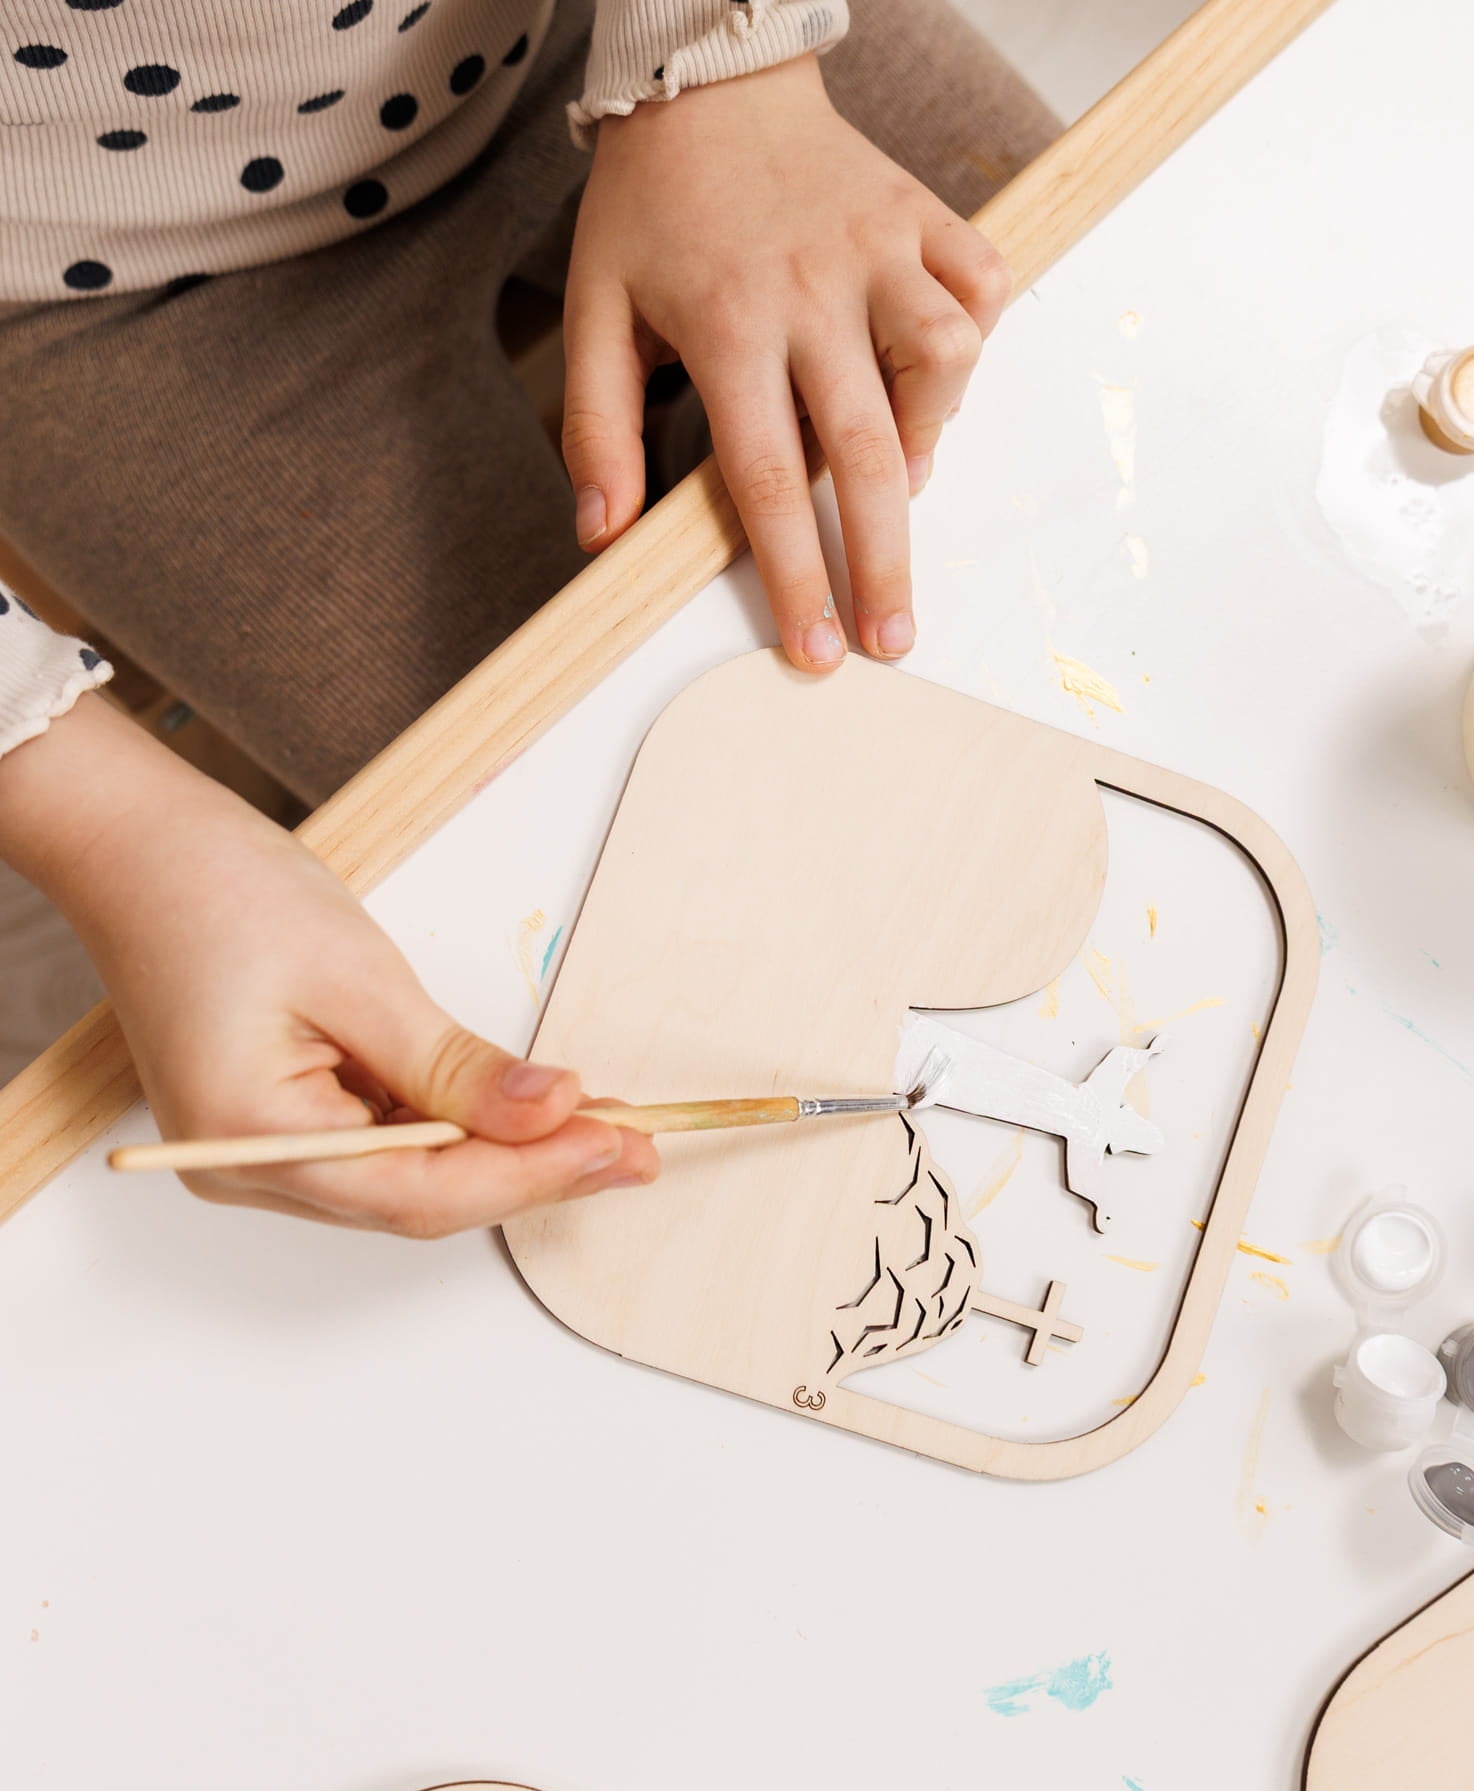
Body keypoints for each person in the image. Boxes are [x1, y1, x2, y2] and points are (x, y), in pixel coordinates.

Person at [0, 0, 1056, 1236]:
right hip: (97, 286)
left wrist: (717, 59)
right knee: (603, 882)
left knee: (1055, 401)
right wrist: (103, 821)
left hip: (588, 27)